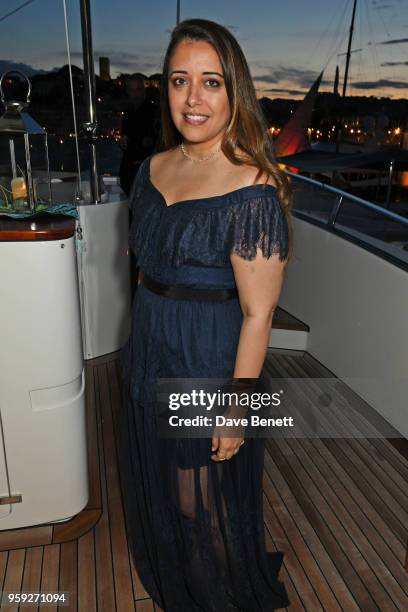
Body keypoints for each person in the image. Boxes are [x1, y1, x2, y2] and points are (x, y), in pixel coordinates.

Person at [119, 18, 293, 612]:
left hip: (209, 360)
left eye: (210, 82)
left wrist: (237, 408)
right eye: (179, 80)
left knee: (201, 502)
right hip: (150, 348)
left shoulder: (253, 189)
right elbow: (144, 271)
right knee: (169, 492)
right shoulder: (150, 170)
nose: (193, 98)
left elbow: (259, 313)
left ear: (234, 90)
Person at [119, 73, 159, 196]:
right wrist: (122, 143)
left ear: (144, 91)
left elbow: (160, 144)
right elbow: (125, 139)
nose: (135, 94)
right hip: (129, 173)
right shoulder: (128, 113)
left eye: (138, 89)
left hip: (148, 175)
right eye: (132, 90)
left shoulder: (156, 113)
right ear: (128, 92)